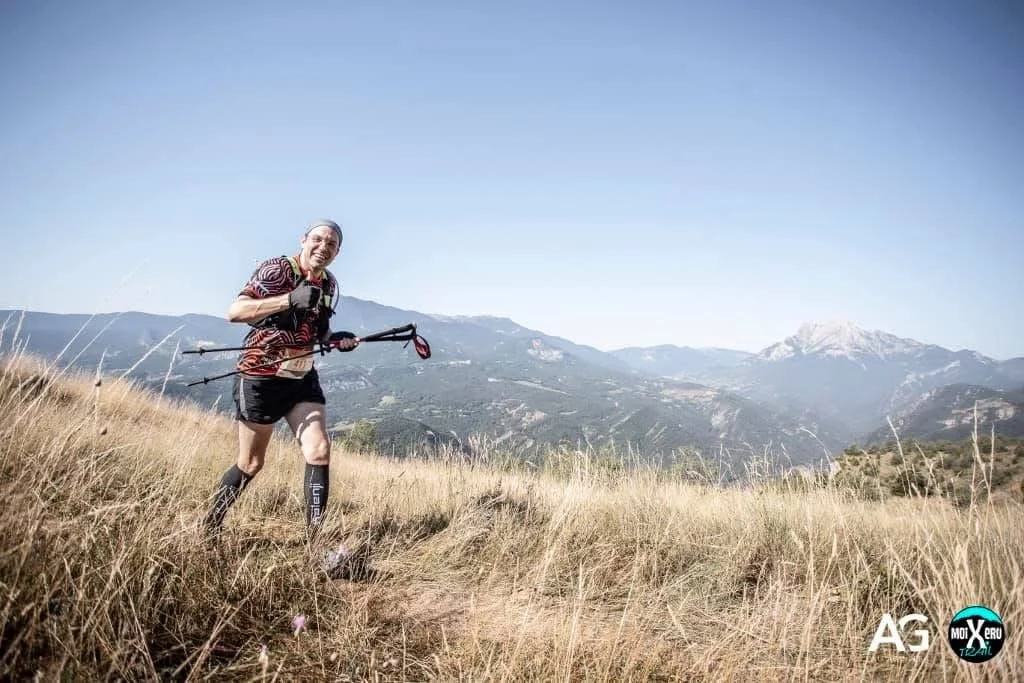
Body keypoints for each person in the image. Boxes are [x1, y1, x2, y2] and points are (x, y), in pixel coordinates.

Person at [203, 219, 359, 541]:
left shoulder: (329, 284)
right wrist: (287, 300)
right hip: (260, 375)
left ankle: (316, 545)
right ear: (304, 240)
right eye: (318, 239)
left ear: (337, 251)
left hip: (301, 375)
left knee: (318, 450)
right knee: (251, 463)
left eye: (331, 244)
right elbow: (235, 311)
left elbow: (320, 329)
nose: (323, 247)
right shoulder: (277, 270)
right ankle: (210, 526)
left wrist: (335, 338)